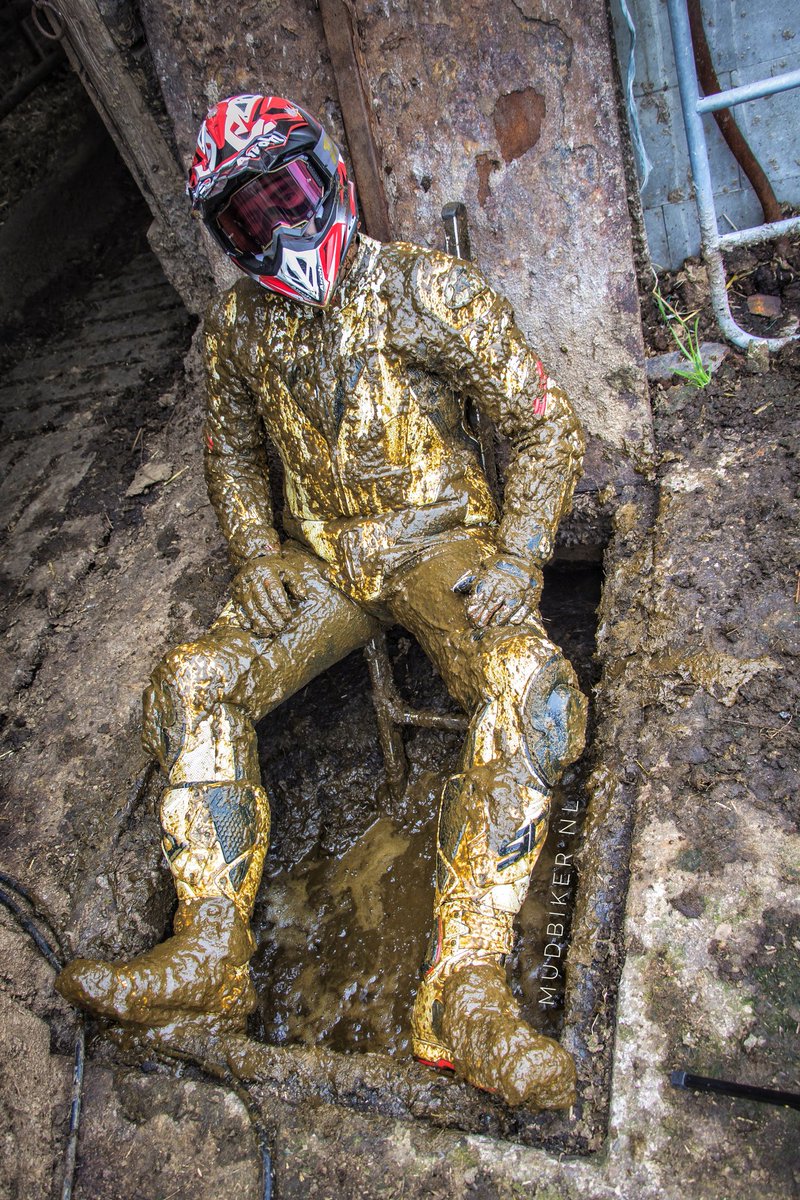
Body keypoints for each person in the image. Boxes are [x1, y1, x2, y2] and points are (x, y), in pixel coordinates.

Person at [57, 93, 587, 1109]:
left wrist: (520, 557)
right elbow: (232, 451)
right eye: (247, 218)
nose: (279, 228)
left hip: (440, 549)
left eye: (287, 194)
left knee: (535, 686)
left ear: (330, 176)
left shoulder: (431, 291)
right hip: (323, 567)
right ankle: (209, 952)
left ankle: (463, 989)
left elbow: (544, 428)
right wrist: (255, 551)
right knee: (195, 677)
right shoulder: (238, 332)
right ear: (225, 234)